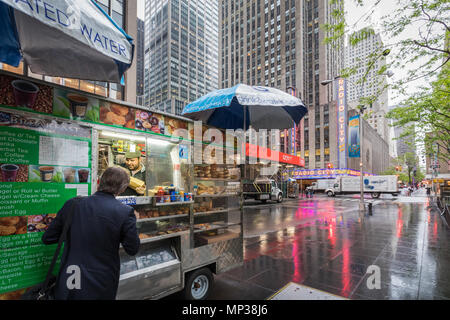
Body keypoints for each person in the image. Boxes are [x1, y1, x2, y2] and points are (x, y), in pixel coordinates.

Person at [42, 167, 140, 300]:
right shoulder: (125, 212)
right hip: (101, 281)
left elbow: (48, 238)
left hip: (71, 277)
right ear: (122, 189)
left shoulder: (72, 204)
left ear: (99, 181)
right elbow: (132, 249)